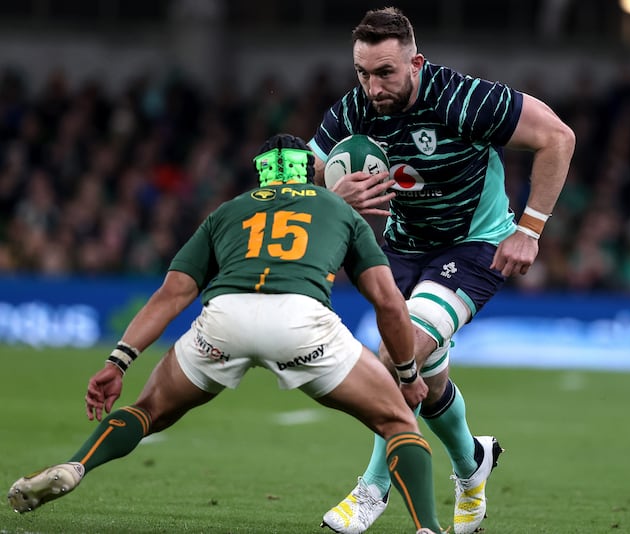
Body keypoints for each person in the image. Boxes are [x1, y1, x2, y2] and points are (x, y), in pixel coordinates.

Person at [6, 134, 444, 534]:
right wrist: (407, 374)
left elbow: (171, 295)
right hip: (300, 321)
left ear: (262, 171)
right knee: (397, 422)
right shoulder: (337, 209)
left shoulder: (228, 211)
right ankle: (427, 528)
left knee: (148, 410)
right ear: (310, 169)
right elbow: (388, 302)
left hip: (224, 318)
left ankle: (76, 466)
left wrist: (117, 362)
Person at [309, 7, 575, 534]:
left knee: (397, 353)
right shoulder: (355, 109)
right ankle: (472, 462)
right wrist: (331, 196)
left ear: (416, 63)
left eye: (385, 72)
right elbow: (308, 173)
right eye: (362, 73)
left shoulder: (463, 99)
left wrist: (529, 229)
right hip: (402, 249)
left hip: (475, 245)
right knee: (426, 383)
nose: (373, 87)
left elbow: (558, 137)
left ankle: (373, 487)